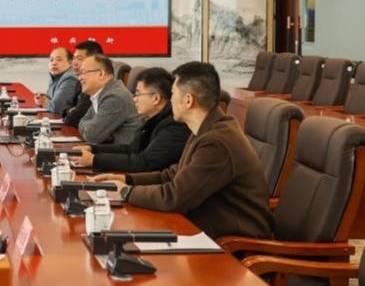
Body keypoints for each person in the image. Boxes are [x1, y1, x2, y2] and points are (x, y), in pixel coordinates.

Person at [92, 61, 273, 241]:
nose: (169, 100)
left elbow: (174, 197)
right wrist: (126, 179)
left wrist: (127, 192)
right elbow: (173, 175)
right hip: (203, 226)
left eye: (172, 94)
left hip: (233, 241)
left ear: (188, 100)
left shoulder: (216, 141)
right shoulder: (205, 128)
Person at [77, 67, 189, 174]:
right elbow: (131, 149)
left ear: (156, 98)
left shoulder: (175, 126)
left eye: (138, 94)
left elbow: (144, 163)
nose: (134, 99)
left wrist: (94, 160)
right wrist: (93, 149)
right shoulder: (153, 119)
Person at [75, 54, 144, 146]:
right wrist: (90, 127)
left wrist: (90, 127)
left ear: (101, 74)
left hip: (119, 153)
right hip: (107, 149)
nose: (80, 78)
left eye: (83, 72)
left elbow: (92, 136)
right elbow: (82, 121)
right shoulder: (103, 93)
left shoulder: (114, 97)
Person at [62, 40, 104, 127]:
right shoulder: (81, 79)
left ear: (94, 60)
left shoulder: (96, 84)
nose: (74, 63)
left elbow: (74, 118)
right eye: (74, 58)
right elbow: (65, 107)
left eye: (79, 59)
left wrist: (71, 112)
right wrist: (70, 110)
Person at [33, 47, 78, 114]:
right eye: (51, 60)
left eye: (59, 60)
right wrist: (42, 99)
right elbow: (50, 100)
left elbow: (56, 107)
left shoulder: (70, 78)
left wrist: (43, 102)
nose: (54, 63)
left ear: (70, 63)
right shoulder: (55, 76)